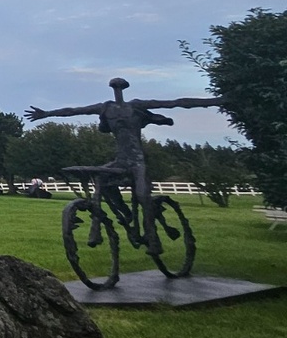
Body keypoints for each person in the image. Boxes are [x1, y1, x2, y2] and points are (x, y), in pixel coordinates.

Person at [27, 77, 221, 255]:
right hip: (121, 159)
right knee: (101, 179)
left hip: (137, 161)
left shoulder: (134, 107)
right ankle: (119, 218)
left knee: (143, 197)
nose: (116, 89)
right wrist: (47, 114)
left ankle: (153, 241)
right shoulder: (106, 109)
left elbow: (178, 103)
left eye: (117, 87)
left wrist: (215, 101)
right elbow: (73, 111)